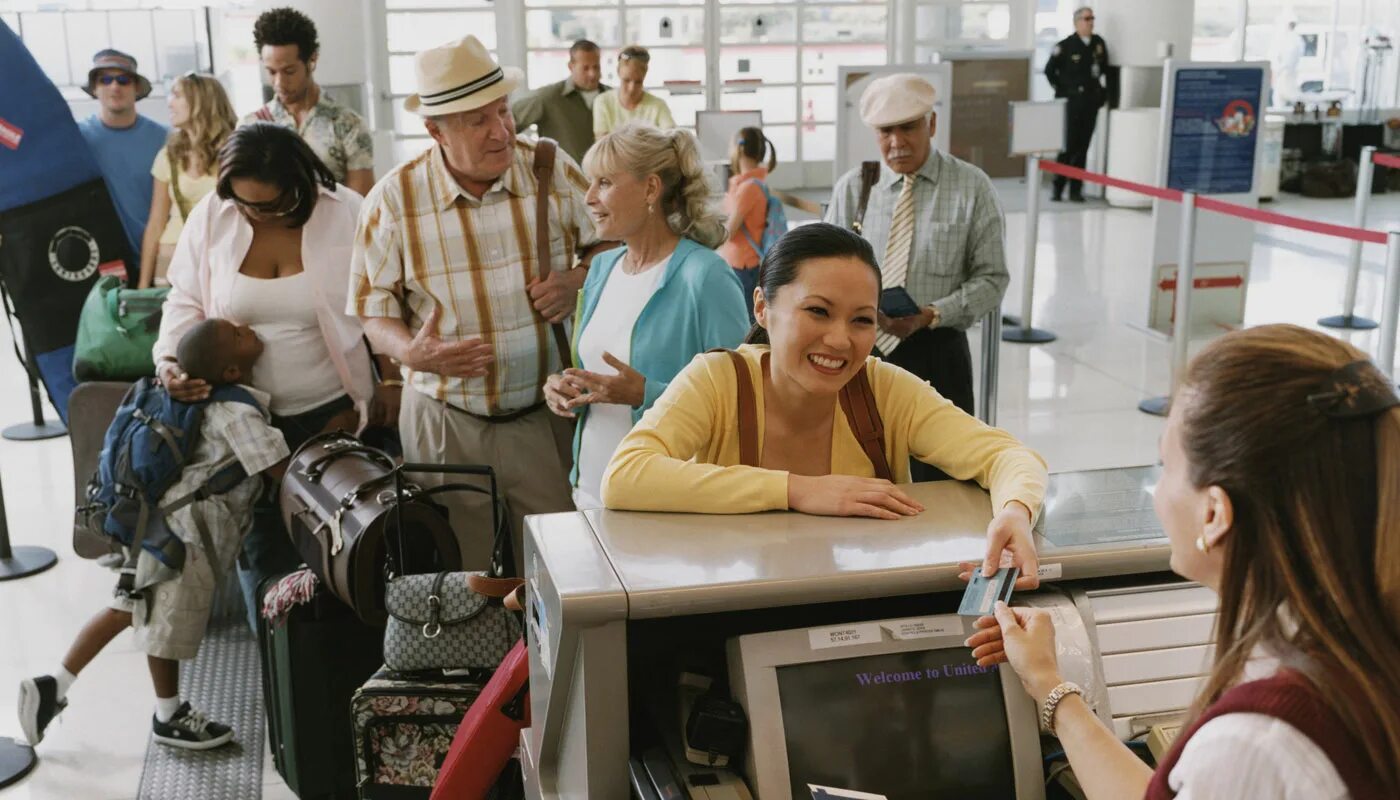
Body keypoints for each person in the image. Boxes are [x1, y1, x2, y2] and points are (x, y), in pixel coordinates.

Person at [969, 324, 1400, 799]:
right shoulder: (1362, 648)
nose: (1158, 493)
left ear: (1214, 513)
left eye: (1167, 468)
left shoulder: (1260, 741)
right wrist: (1050, 684)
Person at [603, 223, 1046, 585]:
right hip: (732, 611)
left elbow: (1007, 455)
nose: (839, 340)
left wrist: (1015, 512)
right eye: (817, 311)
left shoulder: (883, 388)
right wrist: (798, 489)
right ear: (762, 308)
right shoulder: (718, 379)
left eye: (861, 320)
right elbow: (625, 476)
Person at [352, 36, 610, 571]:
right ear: (435, 131)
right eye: (477, 121)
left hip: (547, 418)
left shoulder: (550, 169)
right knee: (462, 579)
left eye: (502, 111)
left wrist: (576, 279)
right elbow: (372, 311)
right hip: (445, 425)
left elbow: (613, 242)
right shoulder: (394, 200)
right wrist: (411, 352)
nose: (501, 130)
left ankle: (544, 661)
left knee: (567, 568)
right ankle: (479, 661)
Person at [155, 123, 392, 629]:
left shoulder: (345, 211)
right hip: (242, 425)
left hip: (335, 417)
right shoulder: (213, 217)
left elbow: (384, 300)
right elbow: (184, 299)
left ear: (300, 182)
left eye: (269, 206)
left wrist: (389, 383)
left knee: (345, 558)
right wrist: (170, 361)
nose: (253, 214)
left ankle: (340, 678)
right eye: (243, 204)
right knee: (264, 561)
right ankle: (282, 681)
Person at [18, 318, 291, 751]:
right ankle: (168, 717)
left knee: (128, 605)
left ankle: (53, 685)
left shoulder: (212, 398)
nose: (247, 328)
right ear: (233, 372)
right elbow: (281, 471)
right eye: (239, 335)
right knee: (163, 621)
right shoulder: (239, 413)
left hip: (159, 519)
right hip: (189, 536)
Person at [545, 123, 749, 510]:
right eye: (590, 183)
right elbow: (595, 374)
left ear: (651, 189)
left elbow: (743, 400)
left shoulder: (705, 276)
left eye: (604, 182)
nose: (588, 197)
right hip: (590, 488)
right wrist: (563, 387)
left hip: (668, 502)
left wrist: (643, 393)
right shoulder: (602, 268)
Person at [825, 73, 1008, 481]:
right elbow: (823, 273)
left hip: (938, 354)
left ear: (932, 124)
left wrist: (929, 314)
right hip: (861, 355)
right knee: (859, 471)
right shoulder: (855, 188)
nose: (896, 142)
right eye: (885, 131)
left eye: (908, 127)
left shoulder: (971, 188)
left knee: (945, 478)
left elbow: (993, 278)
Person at [244, 6, 375, 196]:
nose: (279, 82)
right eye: (271, 72)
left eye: (289, 71)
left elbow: (362, 207)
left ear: (312, 60)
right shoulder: (251, 126)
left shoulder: (348, 126)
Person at [137, 73, 237, 288]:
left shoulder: (235, 154)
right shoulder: (168, 155)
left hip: (220, 258)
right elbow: (156, 222)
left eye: (177, 96)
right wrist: (143, 285)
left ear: (201, 101)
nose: (170, 103)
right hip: (171, 258)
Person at [76, 49, 168, 263]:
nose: (114, 86)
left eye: (123, 80)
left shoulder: (165, 138)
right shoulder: (78, 139)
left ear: (136, 88)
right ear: (95, 89)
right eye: (105, 80)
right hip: (102, 263)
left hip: (157, 260)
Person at [1045, 7, 1109, 203]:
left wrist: (1103, 96)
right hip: (1072, 103)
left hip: (1090, 103)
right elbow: (1050, 71)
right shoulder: (1065, 46)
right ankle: (1058, 188)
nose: (1091, 22)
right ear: (1077, 22)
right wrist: (1062, 91)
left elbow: (1105, 71)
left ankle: (1076, 190)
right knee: (1068, 146)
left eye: (1092, 18)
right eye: (1086, 19)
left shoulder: (1098, 44)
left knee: (1083, 147)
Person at [511, 39, 608, 164]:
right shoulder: (547, 98)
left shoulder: (612, 97)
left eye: (596, 67)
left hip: (607, 179)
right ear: (571, 66)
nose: (593, 74)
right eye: (585, 68)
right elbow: (507, 124)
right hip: (560, 180)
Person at [717, 125, 779, 319]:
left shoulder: (748, 189)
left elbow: (730, 231)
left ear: (738, 149)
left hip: (743, 266)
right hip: (742, 263)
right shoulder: (748, 184)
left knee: (743, 321)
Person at [592, 45, 675, 137]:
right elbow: (602, 144)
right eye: (626, 80)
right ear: (618, 71)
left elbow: (672, 138)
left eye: (638, 82)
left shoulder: (658, 106)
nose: (632, 88)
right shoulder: (603, 102)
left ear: (645, 75)